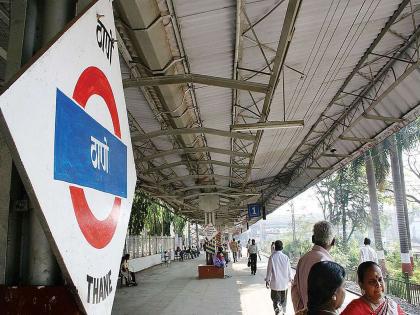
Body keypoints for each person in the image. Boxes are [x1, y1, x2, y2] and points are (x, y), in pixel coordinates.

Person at [292, 221, 335, 312]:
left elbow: (295, 290)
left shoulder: (303, 259)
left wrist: (301, 311)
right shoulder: (328, 263)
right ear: (333, 241)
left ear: (313, 239)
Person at [265, 240, 293, 315]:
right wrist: (291, 280)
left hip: (275, 285)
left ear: (275, 248)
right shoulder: (286, 257)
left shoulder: (272, 257)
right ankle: (282, 312)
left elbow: (269, 271)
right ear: (282, 247)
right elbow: (289, 271)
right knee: (283, 302)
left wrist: (267, 280)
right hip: (284, 285)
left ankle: (278, 312)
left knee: (276, 302)